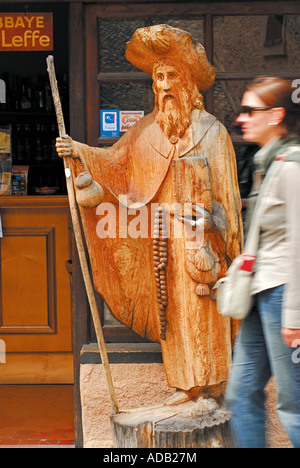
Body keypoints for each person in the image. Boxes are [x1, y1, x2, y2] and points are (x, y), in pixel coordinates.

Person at [56, 25, 243, 405]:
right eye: (159, 77)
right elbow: (114, 165)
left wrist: (215, 223)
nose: (165, 84)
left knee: (202, 308)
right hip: (161, 238)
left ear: (188, 81)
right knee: (171, 314)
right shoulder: (146, 133)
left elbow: (230, 200)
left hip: (202, 244)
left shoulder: (213, 132)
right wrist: (77, 151)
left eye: (172, 75)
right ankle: (183, 385)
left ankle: (210, 387)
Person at [225, 76, 300, 448]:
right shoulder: (264, 162)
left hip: (284, 296)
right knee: (239, 396)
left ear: (276, 115)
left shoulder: (291, 166)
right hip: (261, 293)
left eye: (250, 110)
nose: (241, 118)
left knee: (294, 406)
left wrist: (295, 317)